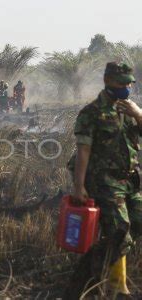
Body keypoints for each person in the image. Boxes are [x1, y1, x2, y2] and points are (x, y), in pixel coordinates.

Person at [65, 62, 142, 298]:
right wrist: (79, 186)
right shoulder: (92, 113)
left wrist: (138, 115)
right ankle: (112, 285)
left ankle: (100, 266)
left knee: (136, 222)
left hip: (130, 180)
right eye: (122, 83)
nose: (127, 87)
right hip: (105, 182)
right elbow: (83, 151)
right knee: (120, 230)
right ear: (108, 81)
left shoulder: (130, 110)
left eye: (130, 82)